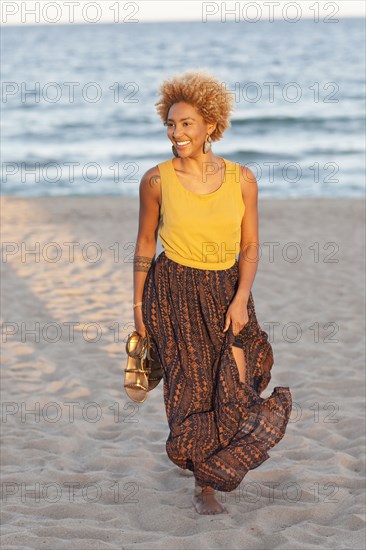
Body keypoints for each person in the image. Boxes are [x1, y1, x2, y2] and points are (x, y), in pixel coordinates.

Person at [132, 70, 292, 515]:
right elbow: (145, 244)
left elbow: (250, 245)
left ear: (210, 126)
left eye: (186, 123)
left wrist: (241, 298)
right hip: (173, 292)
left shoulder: (242, 178)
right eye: (170, 123)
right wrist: (137, 307)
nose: (176, 132)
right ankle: (205, 485)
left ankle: (216, 468)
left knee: (237, 384)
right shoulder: (155, 180)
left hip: (226, 291)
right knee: (191, 390)